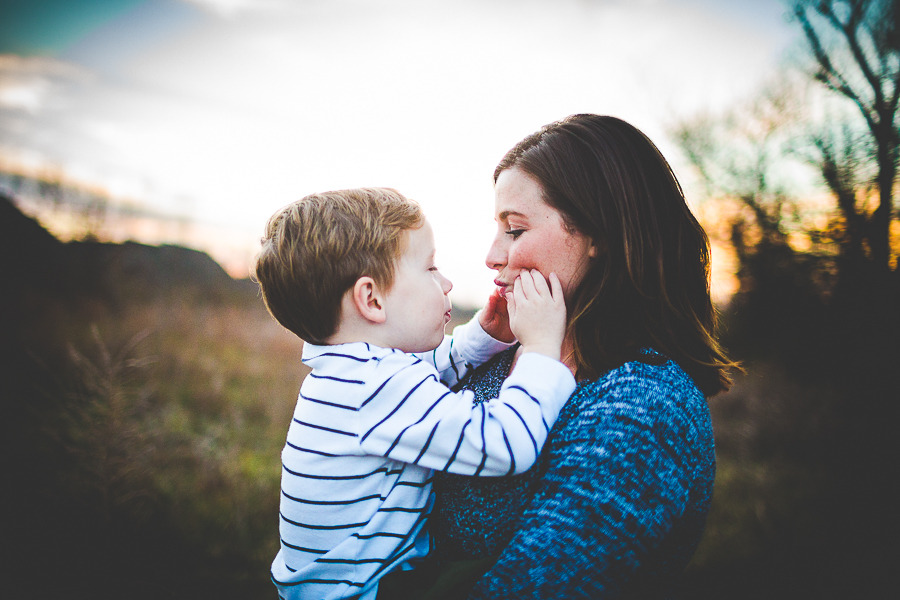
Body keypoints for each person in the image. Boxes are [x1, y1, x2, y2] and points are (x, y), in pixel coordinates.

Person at [427, 114, 741, 599]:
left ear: (599, 235)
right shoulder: (498, 355)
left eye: (514, 229)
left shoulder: (644, 404)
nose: (492, 255)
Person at [252, 187, 577, 600]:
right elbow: (504, 443)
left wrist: (483, 336)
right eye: (430, 268)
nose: (447, 282)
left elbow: (428, 371)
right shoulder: (374, 386)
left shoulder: (350, 372)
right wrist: (542, 348)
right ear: (371, 299)